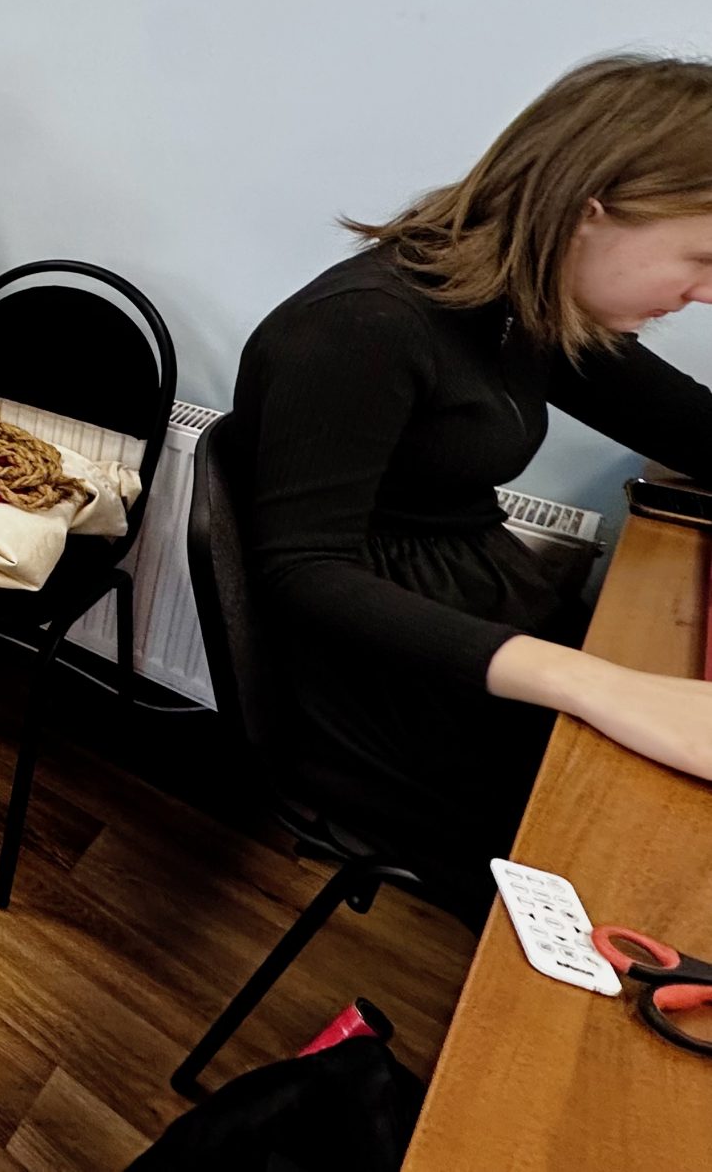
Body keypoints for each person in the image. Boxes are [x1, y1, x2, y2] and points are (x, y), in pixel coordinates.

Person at [232, 53, 712, 893]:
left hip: (470, 622)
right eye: (700, 257)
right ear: (588, 209)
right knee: (648, 855)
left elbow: (691, 427)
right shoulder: (363, 325)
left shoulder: (522, 304)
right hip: (380, 678)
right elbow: (302, 573)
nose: (704, 293)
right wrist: (592, 684)